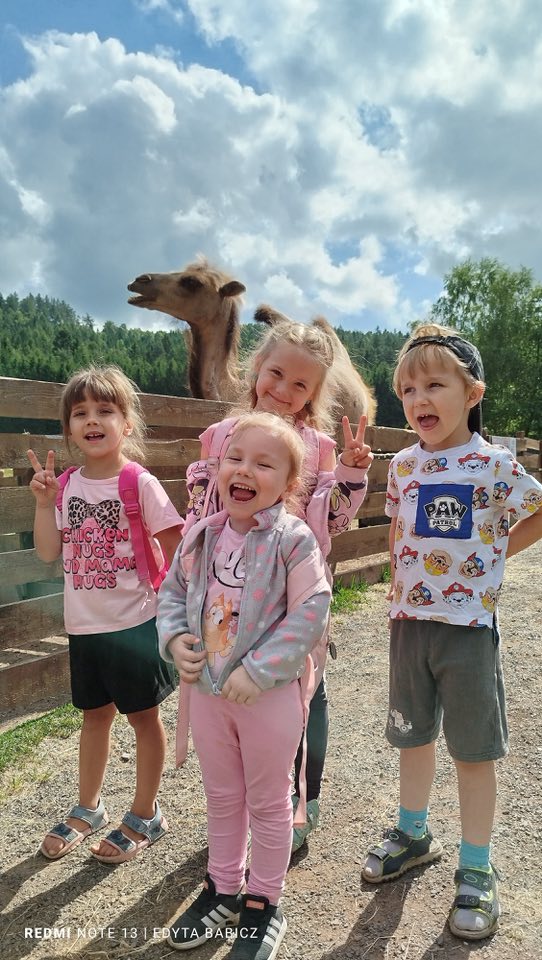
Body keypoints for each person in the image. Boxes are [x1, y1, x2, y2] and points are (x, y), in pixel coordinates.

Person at [361, 323, 542, 940]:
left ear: (472, 393)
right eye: (408, 390)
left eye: (435, 385)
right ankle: (414, 833)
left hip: (468, 629)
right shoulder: (403, 465)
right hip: (410, 625)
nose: (419, 400)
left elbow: (536, 510)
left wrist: (495, 554)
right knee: (412, 735)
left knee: (472, 750)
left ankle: (477, 865)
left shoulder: (493, 464)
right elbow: (397, 528)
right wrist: (397, 579)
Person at [182, 315, 373, 852]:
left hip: (293, 597)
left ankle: (301, 799)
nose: (284, 390)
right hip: (228, 592)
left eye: (300, 384)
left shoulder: (319, 448)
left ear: (314, 393)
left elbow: (331, 520)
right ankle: (243, 803)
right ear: (256, 369)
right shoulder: (219, 437)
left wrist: (351, 476)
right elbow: (200, 515)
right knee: (229, 691)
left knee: (303, 693)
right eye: (276, 374)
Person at [157, 412, 332, 959]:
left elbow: (312, 610)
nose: (245, 470)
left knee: (270, 802)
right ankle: (223, 887)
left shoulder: (293, 540)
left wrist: (258, 670)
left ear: (289, 483)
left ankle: (263, 902)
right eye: (235, 458)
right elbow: (172, 592)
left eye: (263, 463)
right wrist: (175, 639)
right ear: (217, 468)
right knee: (222, 796)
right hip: (209, 696)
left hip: (267, 698)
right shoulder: (202, 536)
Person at [28, 365, 183, 863]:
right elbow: (48, 552)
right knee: (94, 716)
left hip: (135, 625)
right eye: (80, 413)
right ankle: (89, 807)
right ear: (69, 428)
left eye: (105, 410)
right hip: (84, 627)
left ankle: (145, 813)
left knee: (143, 718)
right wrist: (44, 503)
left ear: (127, 423)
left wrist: (179, 612)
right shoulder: (66, 486)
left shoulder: (139, 482)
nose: (92, 420)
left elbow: (177, 548)